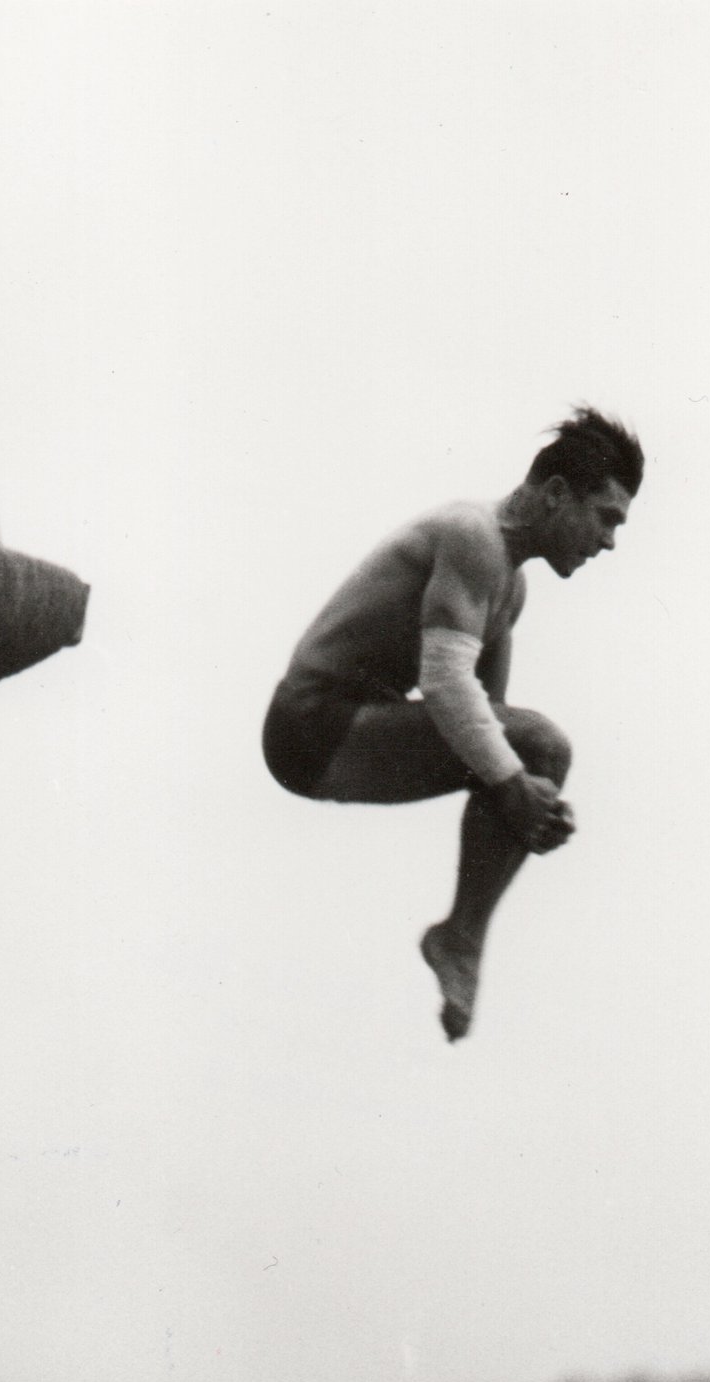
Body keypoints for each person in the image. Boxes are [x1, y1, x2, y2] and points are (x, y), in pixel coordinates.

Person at [262, 406, 644, 1041]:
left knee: (534, 758)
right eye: (605, 518)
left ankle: (460, 939)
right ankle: (462, 940)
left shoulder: (510, 588)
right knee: (538, 746)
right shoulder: (473, 537)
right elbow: (446, 685)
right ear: (555, 494)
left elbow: (485, 735)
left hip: (347, 731)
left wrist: (528, 804)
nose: (608, 541)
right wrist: (516, 778)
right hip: (310, 723)